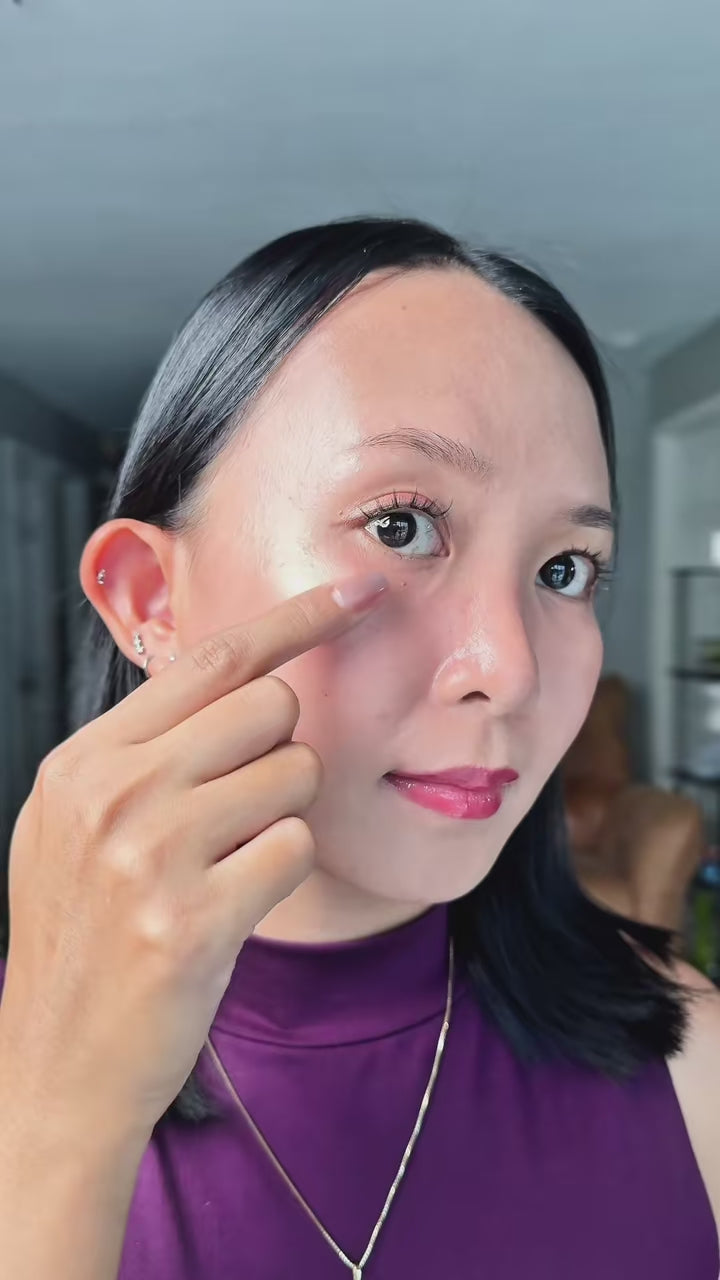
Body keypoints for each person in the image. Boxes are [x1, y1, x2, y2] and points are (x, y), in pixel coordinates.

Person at [0, 216, 718, 1280]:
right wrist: (59, 1128)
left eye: (565, 569)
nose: (510, 668)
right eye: (400, 526)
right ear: (153, 599)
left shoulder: (695, 1063)